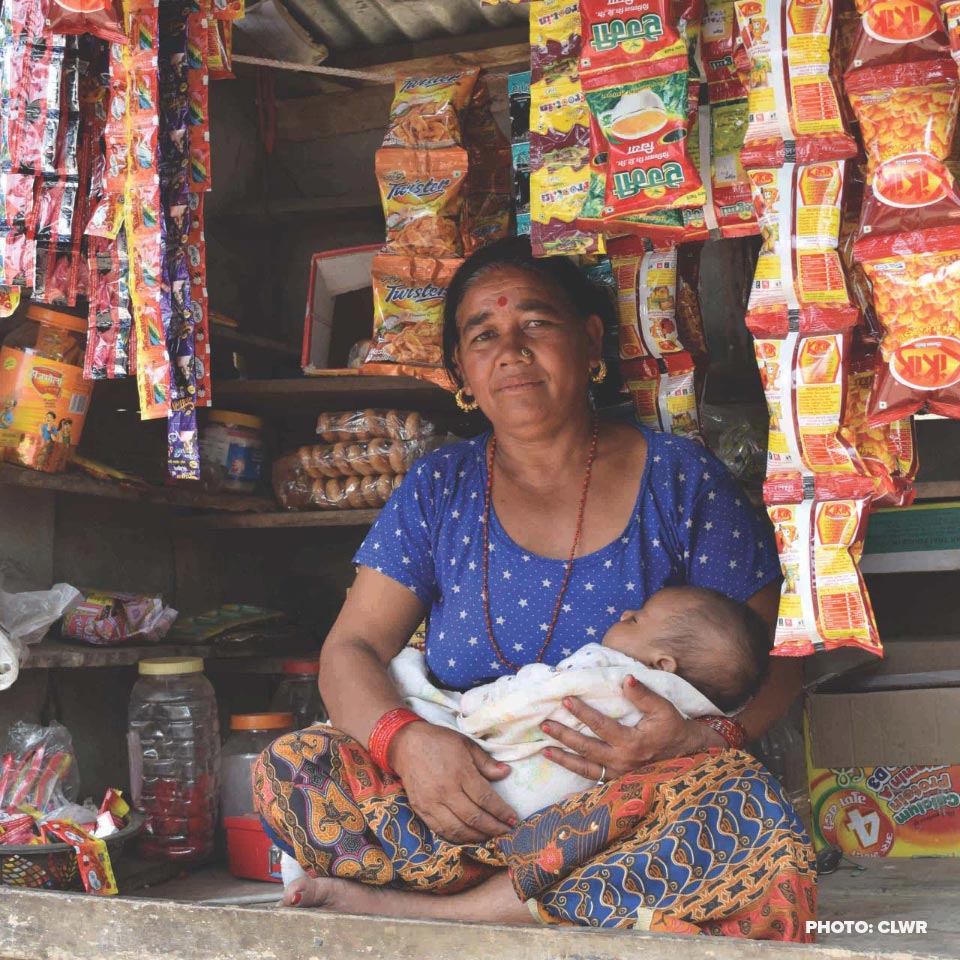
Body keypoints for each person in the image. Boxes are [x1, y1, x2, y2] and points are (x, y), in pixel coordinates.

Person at [253, 237, 815, 939]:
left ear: (589, 342)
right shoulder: (440, 488)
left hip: (619, 806)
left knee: (731, 800)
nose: (510, 350)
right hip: (454, 811)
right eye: (483, 335)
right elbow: (353, 647)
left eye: (536, 325)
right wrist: (406, 745)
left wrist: (704, 736)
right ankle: (526, 899)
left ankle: (452, 918)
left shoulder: (679, 478)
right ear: (462, 370)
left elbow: (781, 655)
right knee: (296, 765)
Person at [388, 585, 771, 820]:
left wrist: (474, 714)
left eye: (636, 621)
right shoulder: (698, 703)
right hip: (566, 820)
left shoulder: (611, 672)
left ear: (663, 665)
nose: (624, 614)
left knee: (405, 681)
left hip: (511, 776)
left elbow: (543, 698)